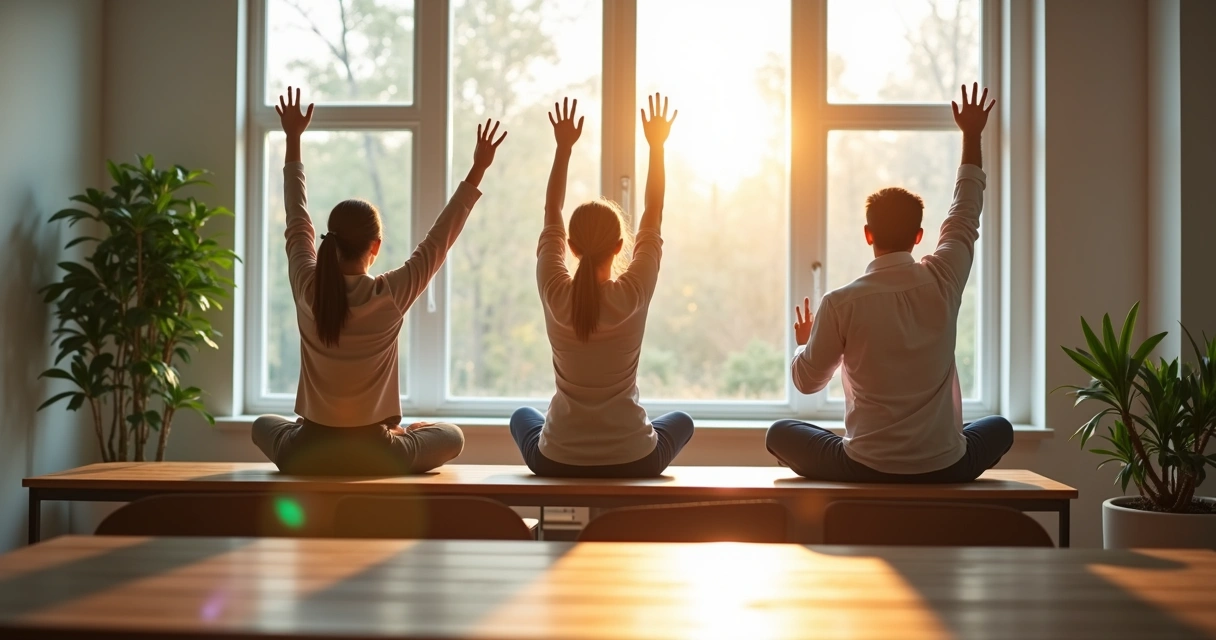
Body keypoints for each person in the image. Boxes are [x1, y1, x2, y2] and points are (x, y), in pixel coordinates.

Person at [252, 87, 507, 475]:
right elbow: (439, 240)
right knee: (451, 435)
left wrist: (293, 139)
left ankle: (318, 437)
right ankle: (402, 434)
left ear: (329, 240)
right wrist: (478, 168)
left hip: (307, 451)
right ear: (376, 245)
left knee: (261, 425)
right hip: (376, 452)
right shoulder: (389, 295)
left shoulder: (307, 287)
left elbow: (296, 218)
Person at [766, 83, 1011, 483]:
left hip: (864, 467)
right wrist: (971, 134)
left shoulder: (840, 303)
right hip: (945, 467)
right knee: (1000, 427)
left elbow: (807, 383)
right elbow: (966, 211)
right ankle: (939, 450)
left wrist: (806, 343)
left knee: (779, 433)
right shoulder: (944, 277)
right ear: (919, 236)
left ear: (868, 234)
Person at [509, 94, 693, 478]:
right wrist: (656, 147)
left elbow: (551, 212)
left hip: (557, 457)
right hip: (634, 457)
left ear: (571, 247)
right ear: (620, 246)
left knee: (522, 417)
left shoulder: (554, 290)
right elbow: (653, 213)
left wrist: (563, 149)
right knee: (682, 421)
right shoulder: (632, 292)